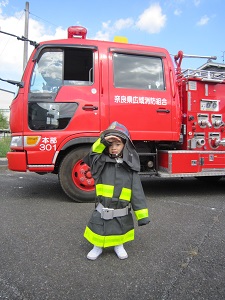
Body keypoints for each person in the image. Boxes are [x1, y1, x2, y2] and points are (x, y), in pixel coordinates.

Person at [83, 121, 150, 260]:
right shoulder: (100, 164)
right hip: (102, 209)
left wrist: (142, 215)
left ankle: (119, 245)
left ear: (125, 146)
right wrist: (103, 141)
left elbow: (137, 193)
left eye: (118, 144)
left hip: (121, 210)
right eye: (111, 145)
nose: (114, 148)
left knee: (120, 228)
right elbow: (92, 155)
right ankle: (97, 246)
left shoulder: (130, 169)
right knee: (99, 228)